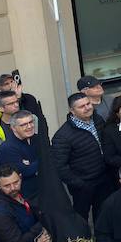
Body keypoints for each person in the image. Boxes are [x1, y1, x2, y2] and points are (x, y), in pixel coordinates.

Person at [51, 91, 110, 220]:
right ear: (72, 111)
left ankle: (102, 239)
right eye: (81, 106)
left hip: (103, 178)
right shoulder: (62, 136)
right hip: (83, 185)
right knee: (80, 218)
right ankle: (82, 240)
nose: (87, 108)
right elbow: (60, 166)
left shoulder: (98, 119)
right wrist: (79, 184)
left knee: (102, 214)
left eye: (88, 104)